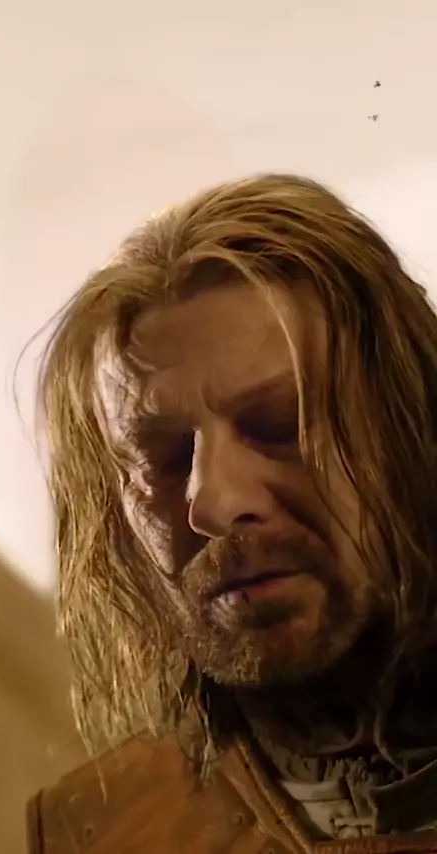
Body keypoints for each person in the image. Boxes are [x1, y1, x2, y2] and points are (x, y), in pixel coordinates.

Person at [27, 175, 437, 854]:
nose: (216, 502)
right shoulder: (102, 831)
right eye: (162, 459)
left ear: (413, 426)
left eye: (280, 425)